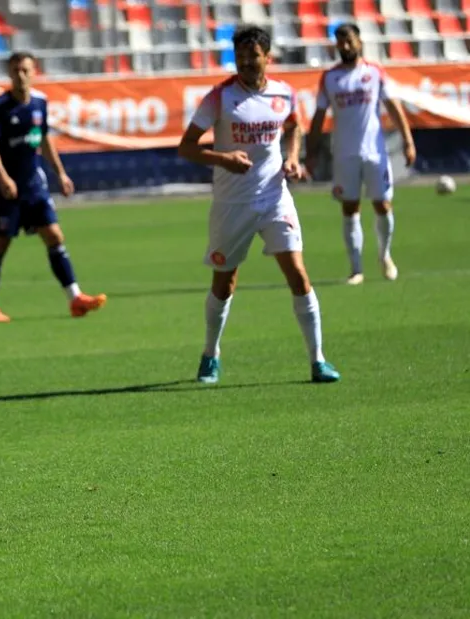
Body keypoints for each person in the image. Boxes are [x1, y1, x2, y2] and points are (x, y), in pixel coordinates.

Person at [178, 25, 341, 385]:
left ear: (268, 57)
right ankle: (210, 354)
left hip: (274, 196)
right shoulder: (219, 97)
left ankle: (318, 360)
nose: (247, 63)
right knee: (225, 282)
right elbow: (186, 147)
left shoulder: (283, 93)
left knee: (297, 273)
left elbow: (295, 126)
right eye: (240, 57)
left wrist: (293, 158)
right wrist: (223, 158)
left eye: (253, 56)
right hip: (232, 202)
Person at [0, 51, 106, 322]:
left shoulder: (40, 103)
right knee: (0, 243)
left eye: (25, 70)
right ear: (9, 74)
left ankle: (75, 298)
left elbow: (44, 138)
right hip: (7, 188)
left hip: (34, 184)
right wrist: (3, 177)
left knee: (55, 236)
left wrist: (60, 173)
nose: (20, 76)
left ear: (34, 72)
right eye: (15, 71)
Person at [306, 22, 416, 285]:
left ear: (359, 42)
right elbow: (318, 117)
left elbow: (393, 106)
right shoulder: (330, 78)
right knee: (350, 208)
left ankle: (384, 254)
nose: (345, 46)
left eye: (349, 41)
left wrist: (408, 141)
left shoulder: (375, 72)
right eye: (340, 42)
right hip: (344, 154)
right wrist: (310, 153)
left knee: (382, 204)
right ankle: (356, 269)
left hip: (375, 152)